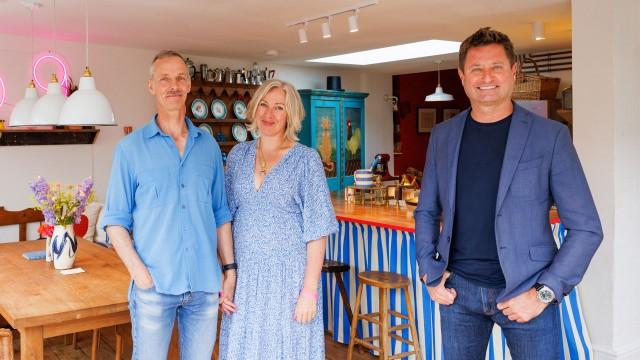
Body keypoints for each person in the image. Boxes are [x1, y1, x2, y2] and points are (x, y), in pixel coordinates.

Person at [414, 27, 603, 359]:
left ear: (513, 71)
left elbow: (587, 228)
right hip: (458, 293)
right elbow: (427, 211)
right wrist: (429, 273)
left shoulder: (551, 137)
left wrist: (544, 294)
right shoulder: (443, 136)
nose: (487, 77)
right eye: (476, 69)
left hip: (527, 290)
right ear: (462, 76)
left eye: (496, 67)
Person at [100, 50, 237, 360]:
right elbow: (115, 221)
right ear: (151, 86)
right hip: (154, 287)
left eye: (180, 78)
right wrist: (140, 275)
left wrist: (229, 269)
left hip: (204, 285)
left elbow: (220, 213)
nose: (173, 85)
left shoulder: (209, 147)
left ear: (189, 85)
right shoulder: (129, 150)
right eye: (165, 79)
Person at [218, 79, 337, 359]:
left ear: (290, 115)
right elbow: (225, 219)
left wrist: (309, 291)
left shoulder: (306, 160)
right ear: (254, 109)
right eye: (264, 105)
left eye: (279, 108)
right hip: (245, 278)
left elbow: (317, 230)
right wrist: (227, 274)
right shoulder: (238, 155)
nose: (269, 114)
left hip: (288, 280)